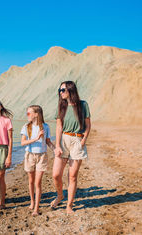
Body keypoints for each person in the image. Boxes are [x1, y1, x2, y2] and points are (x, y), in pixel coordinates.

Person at [51, 81, 91, 214]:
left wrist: (83, 140)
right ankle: (60, 195)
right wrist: (57, 145)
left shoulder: (83, 105)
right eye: (60, 90)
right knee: (56, 174)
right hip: (63, 140)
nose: (60, 93)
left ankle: (69, 205)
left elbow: (88, 124)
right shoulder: (61, 106)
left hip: (77, 140)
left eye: (63, 90)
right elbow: (58, 127)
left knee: (72, 176)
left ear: (70, 90)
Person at [21, 105, 53, 216]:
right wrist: (36, 139)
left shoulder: (46, 127)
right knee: (31, 181)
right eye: (27, 113)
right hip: (30, 155)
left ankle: (36, 208)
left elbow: (48, 142)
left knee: (37, 182)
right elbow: (23, 143)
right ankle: (32, 201)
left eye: (29, 113)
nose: (27, 115)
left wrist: (56, 149)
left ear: (36, 114)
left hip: (42, 156)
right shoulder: (26, 126)